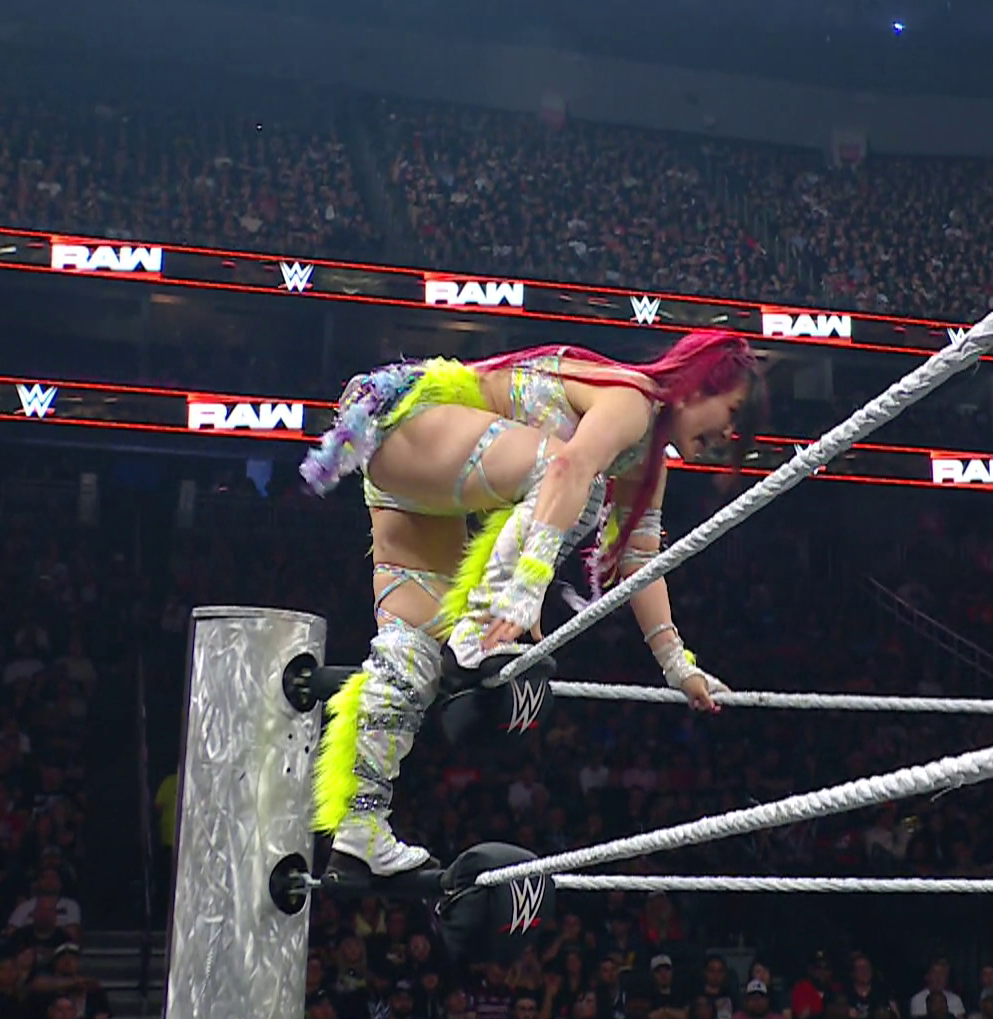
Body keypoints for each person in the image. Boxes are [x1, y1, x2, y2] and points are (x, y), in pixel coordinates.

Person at [299, 332, 760, 881]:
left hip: (417, 468)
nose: (728, 434)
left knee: (412, 649)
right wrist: (523, 593)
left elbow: (640, 560)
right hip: (420, 425)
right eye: (732, 411)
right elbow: (567, 469)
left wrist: (678, 665)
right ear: (698, 385)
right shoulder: (633, 399)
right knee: (577, 480)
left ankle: (360, 828)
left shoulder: (647, 462)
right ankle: (481, 631)